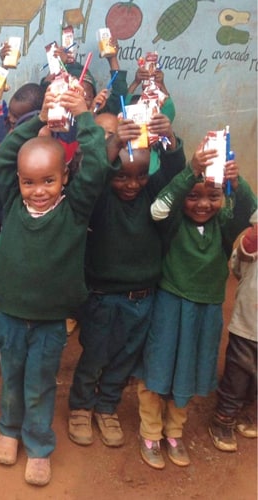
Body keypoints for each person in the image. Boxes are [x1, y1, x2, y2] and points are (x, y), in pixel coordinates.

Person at [0, 83, 110, 486]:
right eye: (29, 182)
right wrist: (38, 120)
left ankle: (38, 445)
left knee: (40, 382)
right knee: (12, 377)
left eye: (48, 181)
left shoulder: (75, 208)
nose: (38, 191)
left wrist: (86, 116)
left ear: (64, 178)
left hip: (51, 320)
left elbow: (95, 165)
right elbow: (5, 157)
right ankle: (9, 429)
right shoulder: (11, 202)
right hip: (10, 313)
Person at [67, 113, 185, 448]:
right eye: (122, 177)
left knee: (126, 357)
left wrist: (172, 143)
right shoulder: (100, 198)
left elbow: (174, 174)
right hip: (102, 296)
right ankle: (80, 406)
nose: (132, 184)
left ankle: (107, 407)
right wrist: (115, 141)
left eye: (140, 176)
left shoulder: (152, 196)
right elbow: (91, 176)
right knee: (95, 355)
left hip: (142, 297)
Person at [137, 142, 256, 470]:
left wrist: (237, 179)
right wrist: (189, 172)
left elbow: (250, 210)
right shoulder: (173, 222)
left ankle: (174, 432)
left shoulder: (223, 226)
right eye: (194, 195)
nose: (203, 204)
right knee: (157, 366)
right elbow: (158, 209)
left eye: (213, 196)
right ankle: (150, 432)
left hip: (205, 312)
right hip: (170, 305)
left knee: (188, 371)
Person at [209, 212, 257, 452]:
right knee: (238, 372)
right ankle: (224, 418)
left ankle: (250, 409)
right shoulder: (254, 235)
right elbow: (241, 260)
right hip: (249, 320)